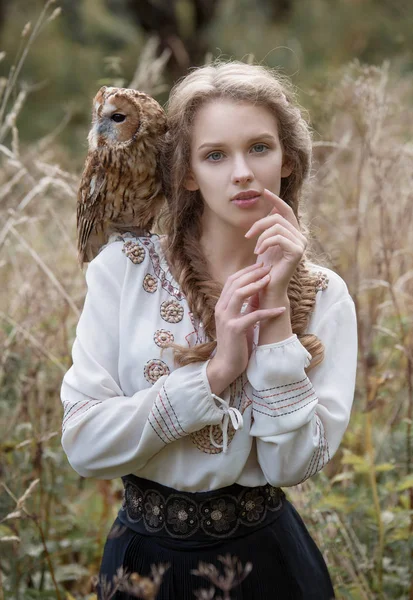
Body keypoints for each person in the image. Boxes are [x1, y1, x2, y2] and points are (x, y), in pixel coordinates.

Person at [60, 61, 358, 599]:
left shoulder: (325, 296)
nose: (241, 172)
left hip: (268, 568)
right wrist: (214, 374)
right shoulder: (125, 271)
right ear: (186, 173)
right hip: (141, 566)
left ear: (287, 161)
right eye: (215, 155)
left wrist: (274, 317)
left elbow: (289, 465)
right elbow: (84, 445)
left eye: (260, 148)